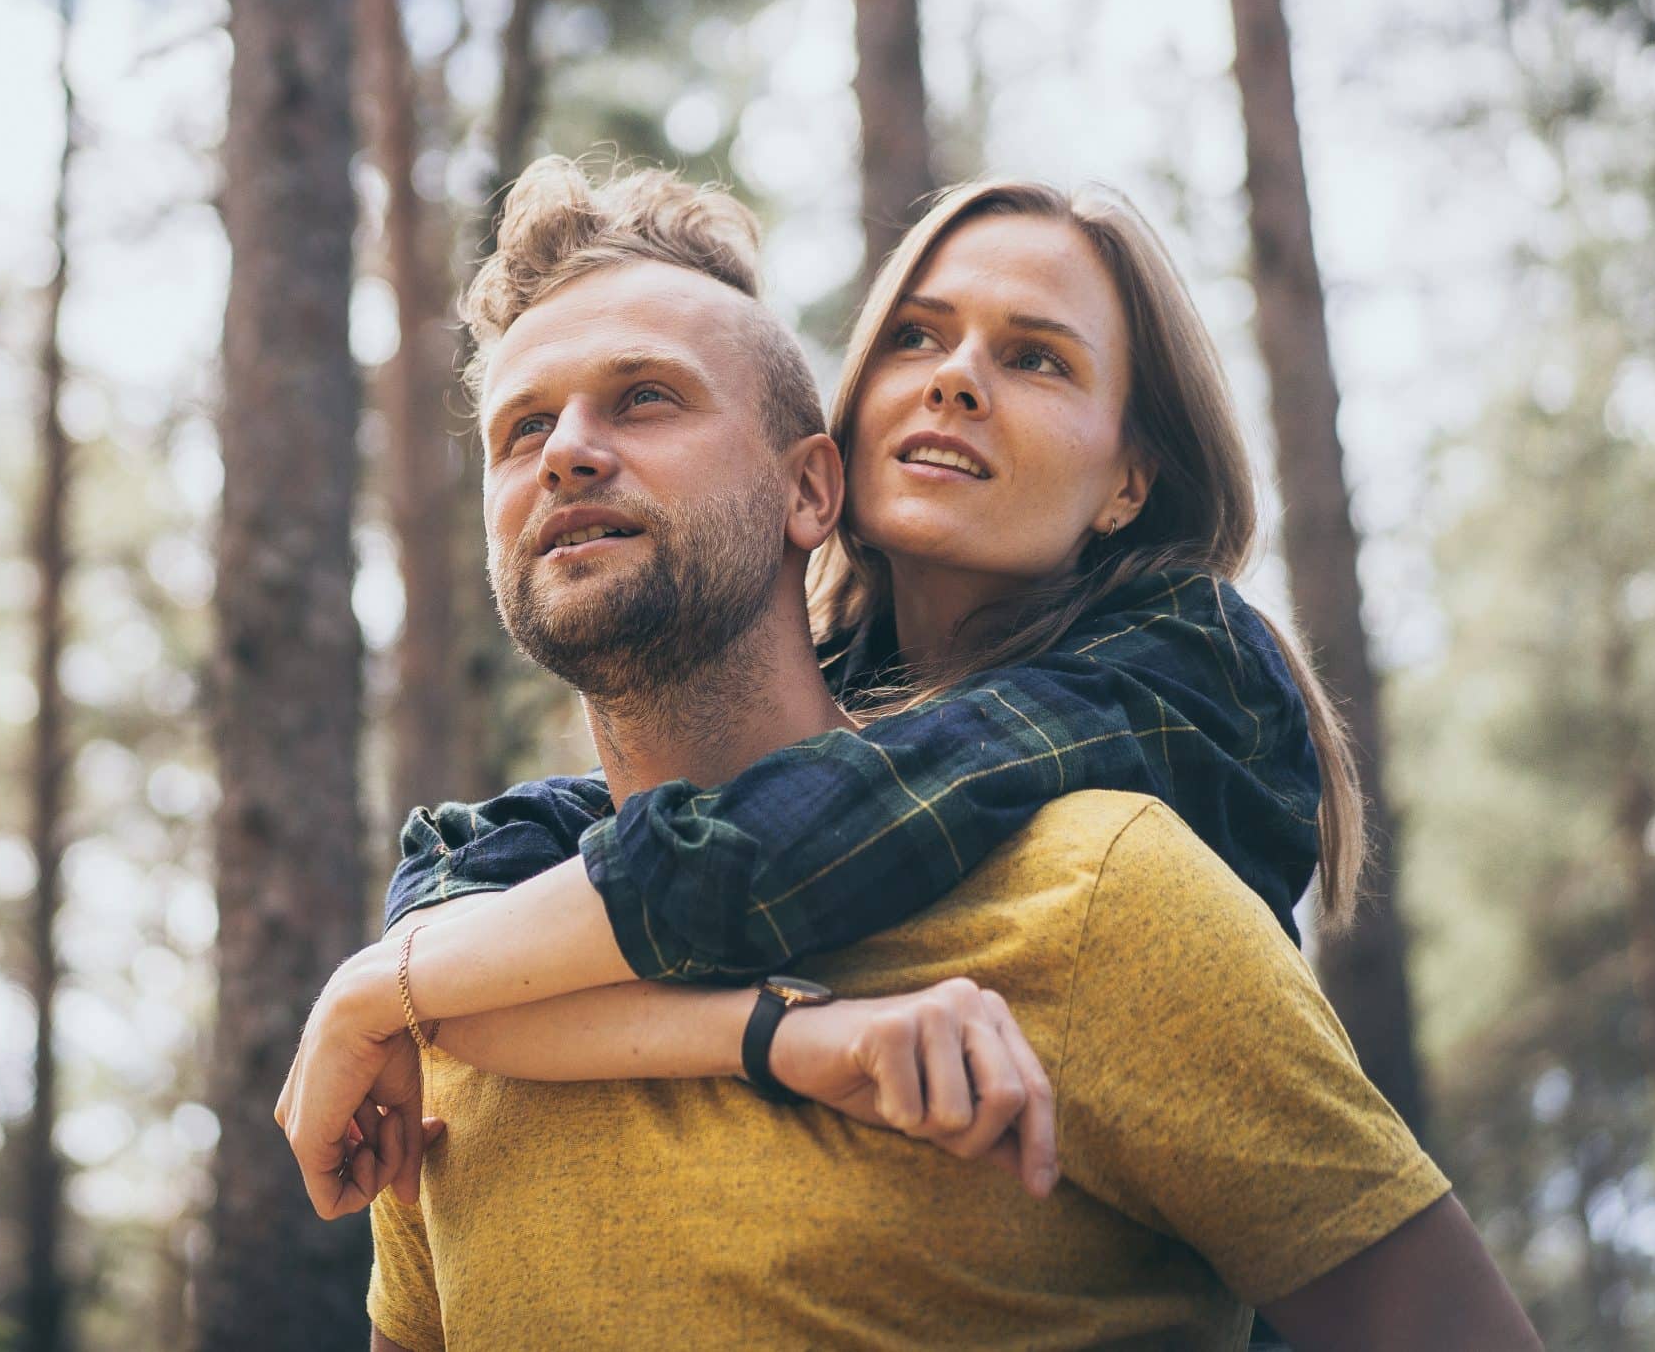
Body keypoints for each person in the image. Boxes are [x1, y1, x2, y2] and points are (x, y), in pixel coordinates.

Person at [276, 160, 1540, 1347]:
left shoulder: (1117, 842)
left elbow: (788, 840)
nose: (565, 450)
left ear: (809, 490)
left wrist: (381, 985)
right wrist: (413, 981)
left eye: (644, 395)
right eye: (520, 428)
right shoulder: (478, 968)